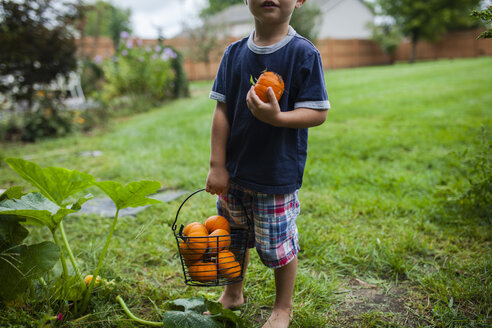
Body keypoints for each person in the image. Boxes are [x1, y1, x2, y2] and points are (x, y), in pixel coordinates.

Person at [205, 0, 330, 327]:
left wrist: (278, 117)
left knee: (279, 246)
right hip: (234, 173)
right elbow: (222, 113)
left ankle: (282, 308)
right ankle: (233, 293)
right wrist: (217, 165)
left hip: (276, 175)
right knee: (234, 237)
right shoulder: (233, 54)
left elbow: (318, 112)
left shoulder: (303, 54)